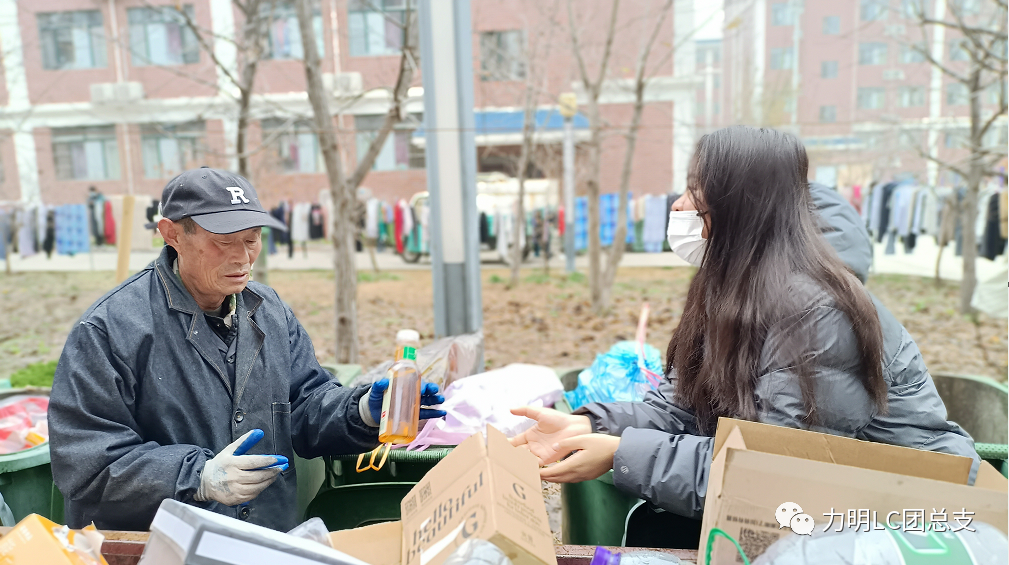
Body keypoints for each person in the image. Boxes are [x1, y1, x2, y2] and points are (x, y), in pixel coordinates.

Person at [510, 126, 979, 547]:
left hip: (901, 519)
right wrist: (593, 425)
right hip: (816, 509)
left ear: (741, 206)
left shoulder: (816, 310)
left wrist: (624, 454)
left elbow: (781, 469)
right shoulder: (731, 292)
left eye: (696, 190)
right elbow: (684, 406)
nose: (678, 204)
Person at [49, 168, 445, 532]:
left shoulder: (268, 309)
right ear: (172, 234)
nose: (241, 257)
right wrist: (197, 477)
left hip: (265, 538)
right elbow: (86, 463)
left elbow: (304, 405)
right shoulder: (111, 328)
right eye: (223, 242)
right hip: (160, 548)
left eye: (252, 239)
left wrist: (360, 412)